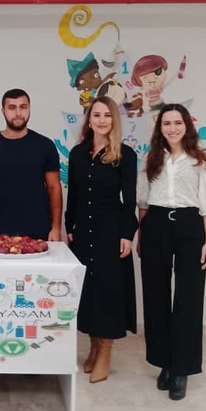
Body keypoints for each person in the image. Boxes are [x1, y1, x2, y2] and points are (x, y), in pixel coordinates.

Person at [137, 103, 206, 401]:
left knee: (188, 297)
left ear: (186, 125)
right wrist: (142, 235)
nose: (172, 128)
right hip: (156, 224)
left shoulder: (202, 159)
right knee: (155, 295)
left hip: (189, 225)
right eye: (166, 123)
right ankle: (164, 362)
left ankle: (181, 369)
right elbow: (143, 202)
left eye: (177, 122)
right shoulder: (151, 158)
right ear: (159, 128)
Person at [65, 96, 138, 383]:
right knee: (90, 292)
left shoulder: (125, 154)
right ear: (89, 120)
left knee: (108, 291)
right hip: (83, 231)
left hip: (111, 232)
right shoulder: (77, 153)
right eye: (97, 115)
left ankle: (105, 352)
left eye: (107, 115)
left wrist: (127, 234)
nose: (102, 120)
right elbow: (74, 194)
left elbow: (129, 199)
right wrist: (69, 226)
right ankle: (93, 349)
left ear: (114, 120)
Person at [0, 89, 62, 240]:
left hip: (40, 231)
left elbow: (54, 187)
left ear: (29, 109)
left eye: (23, 107)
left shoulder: (45, 145)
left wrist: (56, 227)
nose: (18, 113)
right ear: (3, 111)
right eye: (12, 107)